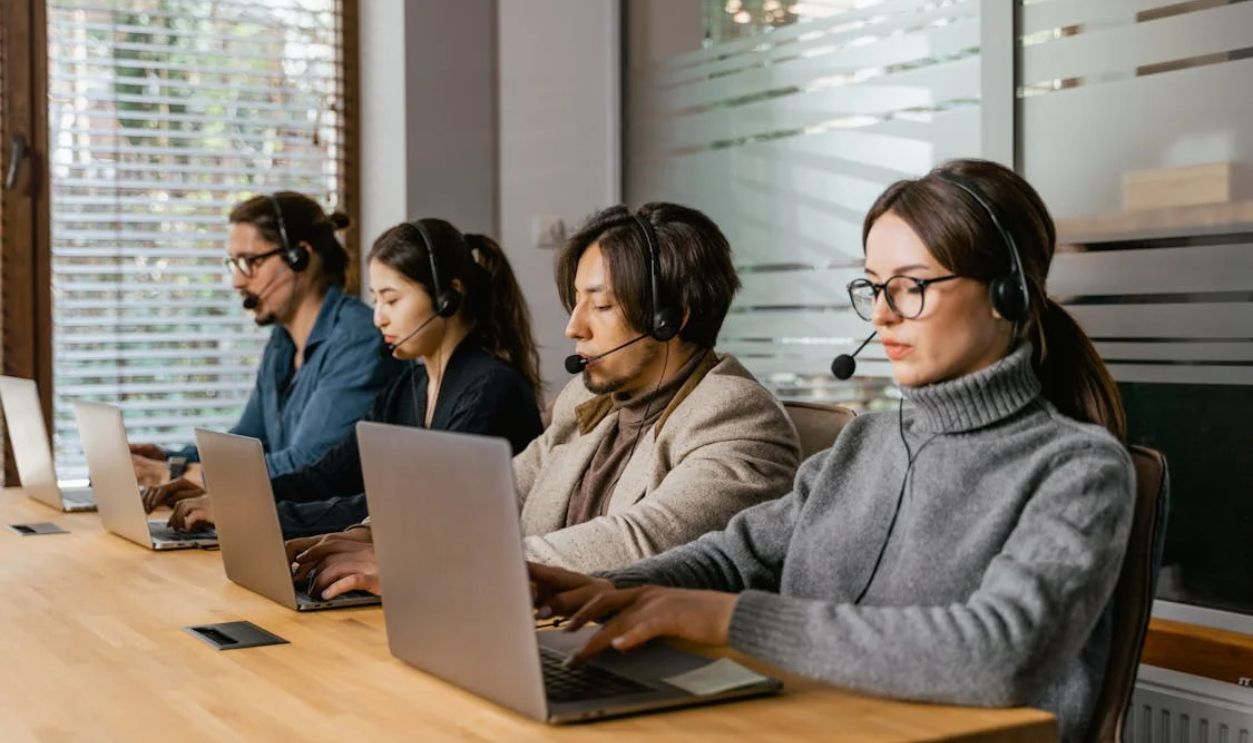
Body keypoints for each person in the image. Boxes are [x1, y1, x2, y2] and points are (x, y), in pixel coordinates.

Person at [530, 160, 1134, 743]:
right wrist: (613, 587)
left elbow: (998, 655)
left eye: (911, 287)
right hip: (806, 726)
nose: (882, 314)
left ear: (1009, 294)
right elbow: (736, 556)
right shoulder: (867, 442)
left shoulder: (1079, 468)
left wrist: (726, 619)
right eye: (874, 288)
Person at [287, 202, 802, 598]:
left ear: (672, 317)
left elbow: (641, 542)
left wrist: (424, 564)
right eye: (575, 302)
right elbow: (497, 492)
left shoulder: (736, 416)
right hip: (540, 631)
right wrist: (380, 536)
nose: (573, 327)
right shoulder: (591, 401)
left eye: (601, 306)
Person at [163, 219, 545, 534]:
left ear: (450, 297)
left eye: (392, 300)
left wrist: (254, 514)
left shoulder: (490, 390)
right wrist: (235, 496)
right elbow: (328, 476)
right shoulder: (408, 387)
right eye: (376, 300)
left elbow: (412, 508)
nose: (379, 318)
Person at [130, 192, 403, 501]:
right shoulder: (282, 343)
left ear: (300, 257)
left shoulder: (359, 340)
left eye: (250, 262)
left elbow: (305, 466)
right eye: (234, 264)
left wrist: (173, 476)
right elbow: (248, 444)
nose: (237, 281)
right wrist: (168, 458)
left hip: (327, 523)